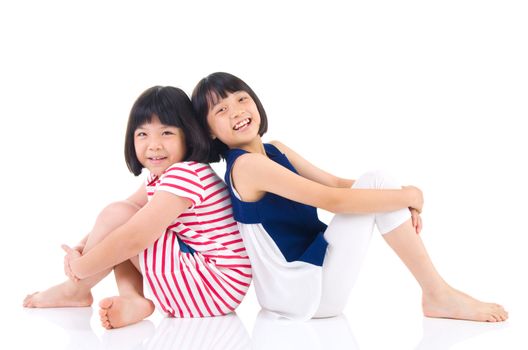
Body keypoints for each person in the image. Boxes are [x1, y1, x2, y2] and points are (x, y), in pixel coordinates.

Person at [190, 72, 508, 322]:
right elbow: (333, 201)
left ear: (256, 103)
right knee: (380, 183)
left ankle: (438, 294)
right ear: (211, 132)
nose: (238, 112)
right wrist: (405, 195)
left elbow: (338, 184)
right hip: (302, 293)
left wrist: (399, 197)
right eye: (221, 110)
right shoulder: (247, 167)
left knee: (379, 184)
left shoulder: (276, 150)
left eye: (242, 99)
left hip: (300, 282)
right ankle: (437, 294)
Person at [24, 86, 251, 329]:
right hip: (214, 289)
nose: (153, 145)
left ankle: (75, 290)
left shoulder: (186, 173)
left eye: (166, 133)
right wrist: (82, 247)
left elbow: (133, 235)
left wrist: (80, 268)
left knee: (122, 223)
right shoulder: (164, 176)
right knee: (124, 219)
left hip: (211, 282)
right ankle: (132, 298)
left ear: (189, 135)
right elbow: (129, 209)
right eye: (142, 134)